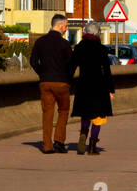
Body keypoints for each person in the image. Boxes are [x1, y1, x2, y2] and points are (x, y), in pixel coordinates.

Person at [29, 13, 72, 153]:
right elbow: (71, 65)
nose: (66, 29)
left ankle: (47, 146)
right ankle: (59, 141)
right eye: (65, 26)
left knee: (47, 113)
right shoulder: (65, 44)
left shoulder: (40, 41)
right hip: (62, 82)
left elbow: (33, 61)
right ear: (59, 25)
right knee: (63, 111)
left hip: (45, 82)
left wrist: (42, 73)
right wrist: (67, 77)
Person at [70, 22, 115, 154]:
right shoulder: (101, 49)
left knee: (85, 113)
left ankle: (83, 133)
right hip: (99, 87)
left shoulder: (79, 47)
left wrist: (67, 80)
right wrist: (110, 89)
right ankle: (92, 146)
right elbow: (107, 71)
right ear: (97, 33)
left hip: (84, 85)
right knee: (98, 117)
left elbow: (72, 66)